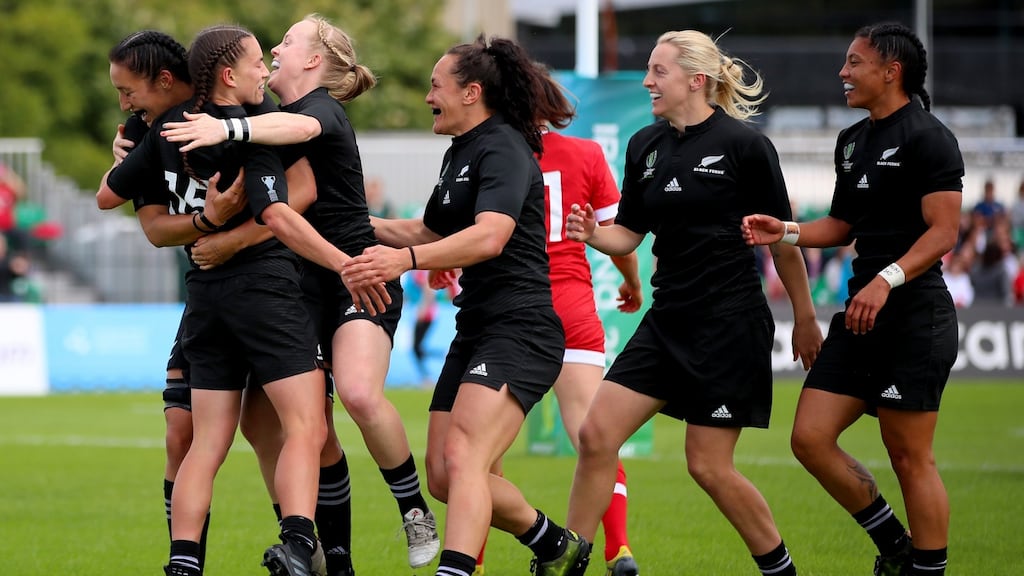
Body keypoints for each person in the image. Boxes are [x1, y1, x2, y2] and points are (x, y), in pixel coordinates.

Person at [159, 15, 440, 571]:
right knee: (306, 430)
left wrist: (226, 132)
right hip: (298, 285)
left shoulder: (318, 112)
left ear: (312, 61)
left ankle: (412, 506)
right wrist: (141, 139)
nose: (273, 48)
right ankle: (329, 555)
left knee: (358, 394)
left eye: (286, 42)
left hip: (357, 275)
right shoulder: (267, 116)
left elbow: (297, 149)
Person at [100, 24, 379, 576]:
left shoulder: (162, 134)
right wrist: (344, 263)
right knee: (306, 426)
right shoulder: (243, 133)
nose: (266, 72)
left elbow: (109, 193)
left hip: (205, 298)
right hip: (266, 292)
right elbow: (284, 208)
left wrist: (134, 164)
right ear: (228, 74)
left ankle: (184, 563)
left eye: (127, 91)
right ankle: (302, 544)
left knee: (206, 442)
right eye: (257, 63)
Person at [564, 30, 822, 576]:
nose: (646, 81)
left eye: (658, 71)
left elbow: (783, 241)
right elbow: (629, 235)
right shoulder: (644, 146)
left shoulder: (746, 146)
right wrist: (592, 233)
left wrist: (804, 318)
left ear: (695, 80)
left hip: (728, 326)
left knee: (707, 466)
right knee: (595, 435)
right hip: (667, 322)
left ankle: (780, 569)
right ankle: (568, 562)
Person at [341, 35, 590, 576]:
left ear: (472, 92)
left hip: (520, 328)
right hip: (476, 327)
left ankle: (454, 570)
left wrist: (405, 259)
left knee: (465, 460)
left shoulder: (503, 146)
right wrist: (345, 222)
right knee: (442, 476)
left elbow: (490, 236)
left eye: (436, 85)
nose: (428, 96)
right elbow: (429, 229)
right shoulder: (461, 151)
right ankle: (554, 545)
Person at [741, 22, 963, 576]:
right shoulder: (851, 141)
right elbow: (842, 225)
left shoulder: (929, 136)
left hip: (914, 317)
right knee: (810, 438)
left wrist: (887, 278)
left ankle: (926, 569)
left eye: (855, 62)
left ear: (892, 72)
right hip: (863, 317)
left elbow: (944, 232)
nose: (843, 72)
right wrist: (785, 231)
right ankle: (895, 544)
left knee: (910, 456)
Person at [463, 63, 644, 576]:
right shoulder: (587, 153)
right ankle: (618, 549)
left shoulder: (490, 150)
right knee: (594, 433)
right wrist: (632, 282)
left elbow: (474, 230)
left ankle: (473, 561)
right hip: (570, 300)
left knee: (482, 445)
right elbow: (616, 237)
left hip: (511, 305)